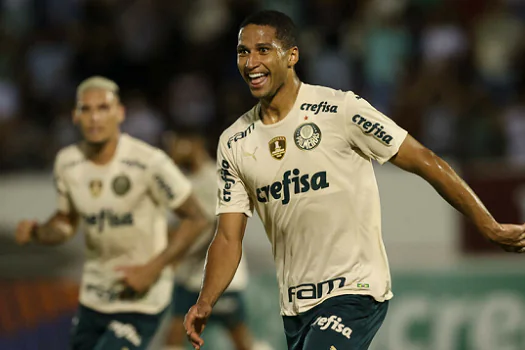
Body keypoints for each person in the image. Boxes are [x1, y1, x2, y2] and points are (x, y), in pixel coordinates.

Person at [183, 10, 525, 350]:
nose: (251, 61)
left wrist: (489, 225)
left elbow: (424, 160)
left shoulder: (340, 110)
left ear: (291, 56)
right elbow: (228, 239)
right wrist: (206, 300)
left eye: (263, 50)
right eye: (243, 51)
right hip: (296, 308)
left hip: (355, 291)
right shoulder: (235, 141)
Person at [14, 76, 211, 350]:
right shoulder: (67, 163)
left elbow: (197, 218)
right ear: (75, 115)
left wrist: (152, 269)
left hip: (142, 297)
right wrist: (38, 232)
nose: (95, 117)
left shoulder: (148, 162)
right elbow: (65, 223)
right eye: (86, 109)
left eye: (103, 108)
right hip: (95, 295)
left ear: (119, 113)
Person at [162, 131, 273, 350]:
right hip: (188, 277)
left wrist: (184, 251)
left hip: (221, 275)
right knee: (173, 338)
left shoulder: (218, 177)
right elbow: (169, 227)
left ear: (197, 144)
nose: (178, 149)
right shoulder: (181, 183)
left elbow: (221, 228)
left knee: (240, 339)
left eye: (183, 143)